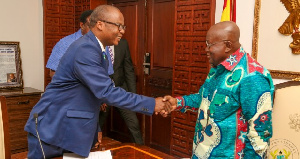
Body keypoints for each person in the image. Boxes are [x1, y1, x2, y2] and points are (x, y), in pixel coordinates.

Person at [24, 5, 171, 158]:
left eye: (124, 26)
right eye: (119, 26)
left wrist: (94, 131)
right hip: (54, 128)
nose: (122, 31)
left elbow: (92, 93)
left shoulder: (98, 48)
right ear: (100, 24)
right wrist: (153, 104)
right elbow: (106, 91)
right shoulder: (85, 49)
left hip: (71, 129)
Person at [164, 21, 274, 158]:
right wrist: (178, 102)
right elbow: (204, 99)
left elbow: (260, 132)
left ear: (228, 46)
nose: (206, 50)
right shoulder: (217, 69)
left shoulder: (251, 77)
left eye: (210, 45)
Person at [99, 39, 144, 144]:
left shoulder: (123, 43)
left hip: (120, 90)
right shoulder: (97, 43)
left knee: (134, 124)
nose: (120, 31)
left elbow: (128, 69)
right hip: (104, 92)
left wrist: (133, 95)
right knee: (97, 125)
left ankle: (140, 152)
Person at [46, 10, 97, 78]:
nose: (94, 30)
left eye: (97, 27)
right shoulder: (65, 43)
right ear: (82, 25)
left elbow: (107, 72)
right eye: (91, 26)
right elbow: (53, 73)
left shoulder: (103, 43)